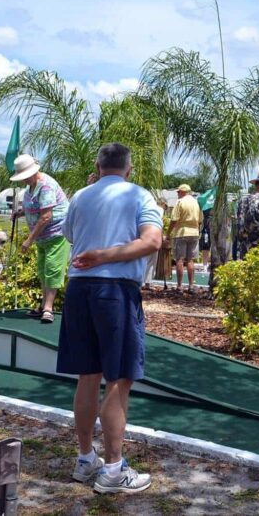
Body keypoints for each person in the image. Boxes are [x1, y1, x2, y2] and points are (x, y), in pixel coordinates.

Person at [56, 143, 163, 494]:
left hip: (78, 291)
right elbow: (152, 241)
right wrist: (107, 255)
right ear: (128, 168)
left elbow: (71, 235)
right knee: (118, 378)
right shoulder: (140, 196)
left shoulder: (81, 196)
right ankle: (114, 469)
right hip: (114, 291)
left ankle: (86, 458)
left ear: (98, 166)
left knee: (88, 376)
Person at [10, 154, 70, 324]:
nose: (23, 180)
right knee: (43, 271)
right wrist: (21, 212)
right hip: (42, 238)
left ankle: (48, 308)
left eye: (24, 176)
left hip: (56, 234)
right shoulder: (30, 187)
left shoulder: (46, 186)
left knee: (53, 269)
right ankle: (43, 305)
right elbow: (36, 208)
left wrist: (28, 240)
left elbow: (46, 216)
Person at [169, 184, 201, 291]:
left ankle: (179, 286)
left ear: (183, 192)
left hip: (181, 232)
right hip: (194, 232)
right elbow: (200, 220)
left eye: (178, 192)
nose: (177, 194)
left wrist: (168, 233)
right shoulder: (196, 202)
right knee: (190, 260)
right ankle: (191, 285)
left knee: (180, 259)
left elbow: (174, 219)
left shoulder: (180, 202)